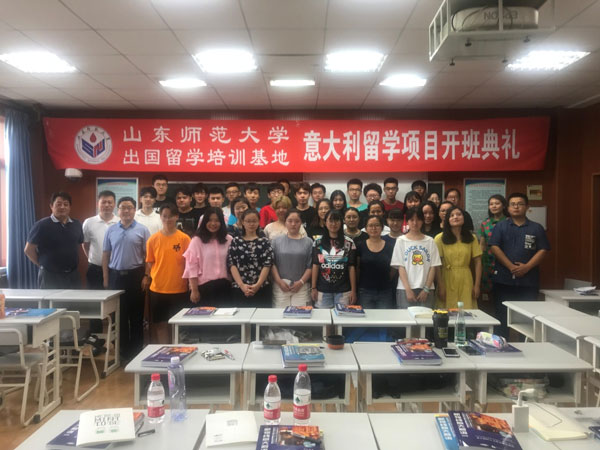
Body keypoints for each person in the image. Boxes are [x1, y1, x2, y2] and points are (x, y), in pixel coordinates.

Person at [489, 193, 550, 337]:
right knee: (502, 318)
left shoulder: (536, 228)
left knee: (527, 319)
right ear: (508, 208)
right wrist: (511, 267)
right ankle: (501, 346)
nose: (516, 207)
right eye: (513, 204)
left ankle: (526, 347)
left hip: (528, 282)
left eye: (520, 204)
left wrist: (526, 267)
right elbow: (494, 247)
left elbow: (543, 249)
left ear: (527, 207)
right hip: (504, 280)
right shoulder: (500, 226)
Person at [102, 196, 150, 360]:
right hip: (116, 277)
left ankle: (136, 351)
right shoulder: (111, 230)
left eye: (129, 207)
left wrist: (146, 276)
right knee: (119, 316)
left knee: (136, 315)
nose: (126, 210)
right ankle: (122, 352)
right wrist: (106, 278)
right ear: (118, 210)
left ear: (134, 210)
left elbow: (148, 257)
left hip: (136, 276)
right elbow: (105, 255)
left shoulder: (142, 230)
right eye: (123, 207)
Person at [144, 203, 191, 344]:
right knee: (160, 324)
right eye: (164, 216)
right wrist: (149, 277)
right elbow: (150, 262)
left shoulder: (184, 239)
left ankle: (177, 350)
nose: (167, 219)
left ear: (177, 217)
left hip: (179, 288)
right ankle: (164, 350)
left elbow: (189, 263)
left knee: (178, 325)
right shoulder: (153, 239)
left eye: (171, 216)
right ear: (160, 217)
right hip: (158, 289)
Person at [25, 192, 84, 289]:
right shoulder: (41, 225)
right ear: (51, 206)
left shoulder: (76, 224)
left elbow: (78, 244)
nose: (62, 207)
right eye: (58, 204)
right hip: (50, 276)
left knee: (75, 299)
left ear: (70, 207)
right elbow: (28, 250)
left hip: (73, 275)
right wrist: (42, 265)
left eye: (66, 204)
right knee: (50, 299)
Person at [391, 208, 441, 309]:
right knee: (405, 317)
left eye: (418, 219)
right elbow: (401, 267)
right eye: (411, 220)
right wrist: (408, 290)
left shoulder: (430, 241)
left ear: (422, 221)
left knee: (426, 318)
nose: (415, 223)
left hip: (426, 289)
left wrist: (426, 289)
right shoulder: (401, 240)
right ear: (407, 221)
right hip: (405, 289)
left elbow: (433, 267)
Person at [183, 207, 233, 307]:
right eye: (210, 220)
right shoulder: (196, 241)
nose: (213, 223)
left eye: (217, 220)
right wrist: (194, 290)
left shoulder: (229, 239)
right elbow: (191, 267)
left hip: (225, 286)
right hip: (204, 288)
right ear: (204, 222)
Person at [435, 206, 482, 310]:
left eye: (459, 214)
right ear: (447, 220)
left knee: (467, 311)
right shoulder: (439, 238)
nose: (455, 217)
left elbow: (478, 262)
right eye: (452, 215)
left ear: (464, 218)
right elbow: (437, 265)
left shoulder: (472, 238)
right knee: (446, 312)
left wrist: (477, 285)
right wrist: (441, 286)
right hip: (446, 278)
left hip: (466, 278)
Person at [227, 209, 274, 308]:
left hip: (262, 288)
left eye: (254, 221)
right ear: (243, 222)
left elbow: (267, 264)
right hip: (240, 288)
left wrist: (258, 285)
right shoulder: (236, 241)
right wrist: (242, 285)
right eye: (248, 221)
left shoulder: (264, 241)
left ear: (259, 222)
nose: (251, 224)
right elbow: (232, 264)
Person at [311, 210, 357, 308]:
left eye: (336, 220)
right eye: (330, 221)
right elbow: (315, 265)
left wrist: (353, 290)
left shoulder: (349, 243)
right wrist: (313, 287)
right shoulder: (318, 242)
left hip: (343, 290)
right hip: (323, 289)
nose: (333, 224)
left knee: (342, 316)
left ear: (341, 222)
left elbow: (351, 267)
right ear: (325, 222)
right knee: (323, 317)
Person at [270, 209, 313, 308]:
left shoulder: (308, 242)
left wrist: (301, 282)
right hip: (281, 285)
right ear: (285, 222)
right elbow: (272, 263)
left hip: (301, 286)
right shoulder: (276, 241)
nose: (293, 224)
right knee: (279, 315)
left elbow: (310, 266)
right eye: (290, 221)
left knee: (301, 315)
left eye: (297, 221)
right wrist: (279, 281)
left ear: (301, 223)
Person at [356, 215, 395, 308]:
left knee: (384, 317)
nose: (374, 228)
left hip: (385, 291)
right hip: (365, 291)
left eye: (377, 225)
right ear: (366, 228)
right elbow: (357, 268)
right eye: (370, 225)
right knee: (366, 317)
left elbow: (393, 268)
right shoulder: (360, 246)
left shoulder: (390, 246)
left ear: (382, 227)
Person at [82, 190, 119, 289]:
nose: (107, 205)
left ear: (114, 204)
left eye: (110, 202)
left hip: (115, 270)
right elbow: (85, 244)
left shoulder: (120, 222)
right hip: (95, 269)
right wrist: (93, 259)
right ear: (98, 204)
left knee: (115, 297)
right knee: (94, 297)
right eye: (103, 202)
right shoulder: (89, 222)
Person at [478, 195, 508, 301]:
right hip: (487, 262)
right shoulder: (485, 223)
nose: (494, 206)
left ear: (503, 206)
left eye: (497, 203)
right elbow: (482, 244)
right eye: (491, 204)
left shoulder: (509, 222)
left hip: (505, 262)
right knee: (487, 296)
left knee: (503, 293)